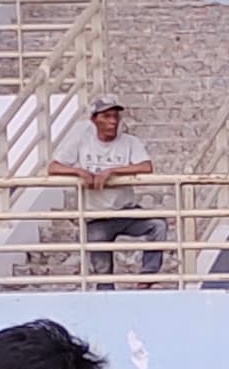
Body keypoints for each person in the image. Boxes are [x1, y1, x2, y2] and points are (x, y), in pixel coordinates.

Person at [51, 98, 159, 279]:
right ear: (94, 120)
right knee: (102, 270)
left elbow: (146, 166)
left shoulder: (130, 142)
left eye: (116, 116)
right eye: (107, 116)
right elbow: (53, 167)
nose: (113, 122)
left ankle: (148, 276)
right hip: (96, 216)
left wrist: (112, 171)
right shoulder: (81, 141)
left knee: (158, 225)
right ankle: (105, 291)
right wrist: (78, 172)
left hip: (126, 211)